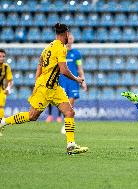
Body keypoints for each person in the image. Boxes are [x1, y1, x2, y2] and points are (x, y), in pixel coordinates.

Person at [0, 23, 88, 155]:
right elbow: (63, 70)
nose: (68, 37)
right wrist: (77, 79)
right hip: (46, 88)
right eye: (68, 34)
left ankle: (71, 145)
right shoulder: (61, 48)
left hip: (53, 87)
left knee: (70, 112)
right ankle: (3, 122)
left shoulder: (48, 47)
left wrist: (37, 81)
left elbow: (39, 66)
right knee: (32, 116)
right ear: (65, 34)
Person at [46, 33, 88, 135]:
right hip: (62, 80)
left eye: (71, 38)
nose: (70, 39)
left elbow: (79, 68)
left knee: (71, 102)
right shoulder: (60, 52)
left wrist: (83, 81)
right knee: (65, 103)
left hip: (73, 81)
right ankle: (66, 122)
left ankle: (66, 125)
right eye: (68, 38)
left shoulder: (76, 54)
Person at [0, 49, 13, 136]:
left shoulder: (6, 67)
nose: (1, 58)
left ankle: (0, 127)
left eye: (3, 56)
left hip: (1, 90)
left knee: (0, 108)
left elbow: (10, 80)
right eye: (0, 56)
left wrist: (8, 88)